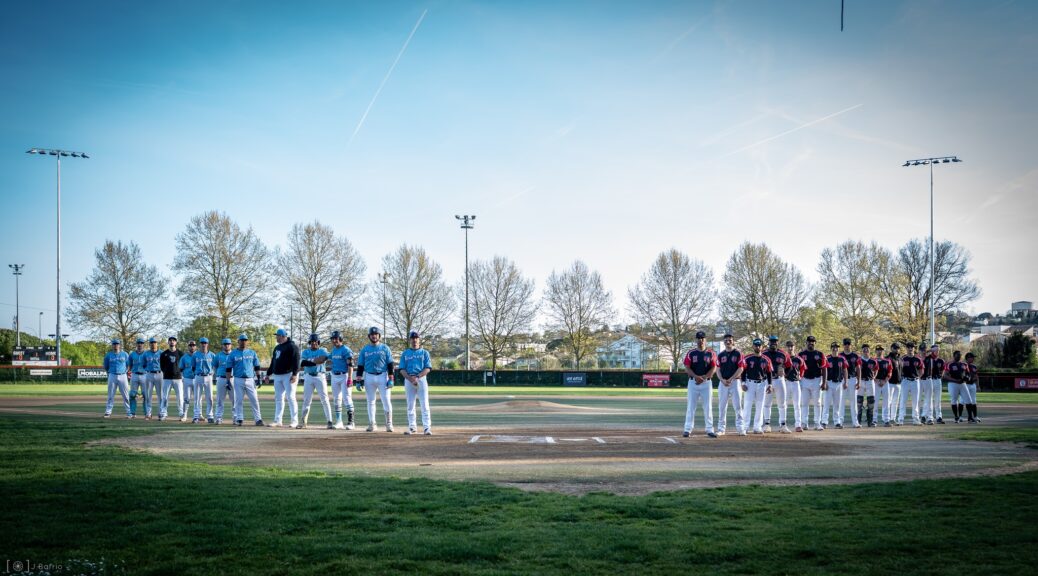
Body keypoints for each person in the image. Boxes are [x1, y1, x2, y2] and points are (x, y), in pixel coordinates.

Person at [356, 327, 395, 432]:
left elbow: (390, 363)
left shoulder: (385, 348)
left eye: (376, 334)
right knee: (370, 401)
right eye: (372, 334)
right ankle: (372, 423)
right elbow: (360, 365)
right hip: (369, 376)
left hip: (382, 375)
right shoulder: (365, 349)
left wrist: (391, 378)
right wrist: (359, 380)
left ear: (379, 336)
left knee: (386, 400)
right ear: (369, 336)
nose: (374, 336)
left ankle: (389, 424)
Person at [681, 331, 718, 438]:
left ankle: (710, 429)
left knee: (708, 407)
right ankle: (687, 429)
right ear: (696, 340)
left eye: (702, 338)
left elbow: (714, 367)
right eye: (698, 338)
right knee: (691, 407)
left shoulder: (711, 353)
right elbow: (687, 367)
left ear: (705, 340)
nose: (700, 340)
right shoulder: (691, 353)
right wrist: (696, 377)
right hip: (693, 382)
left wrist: (704, 377)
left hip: (706, 382)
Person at [399, 330, 433, 435]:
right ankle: (412, 427)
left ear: (419, 339)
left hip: (421, 379)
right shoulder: (405, 353)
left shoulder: (424, 353)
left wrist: (417, 377)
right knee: (410, 404)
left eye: (416, 338)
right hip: (409, 380)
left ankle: (427, 427)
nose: (414, 340)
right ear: (410, 340)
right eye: (413, 338)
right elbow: (402, 369)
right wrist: (410, 378)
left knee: (424, 404)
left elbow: (428, 368)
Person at [298, 333, 334, 429]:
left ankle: (329, 421)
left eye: (315, 341)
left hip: (320, 376)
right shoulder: (305, 352)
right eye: (312, 342)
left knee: (325, 399)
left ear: (318, 342)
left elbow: (323, 359)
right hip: (308, 376)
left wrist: (310, 361)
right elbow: (303, 363)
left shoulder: (323, 350)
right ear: (309, 343)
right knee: (306, 400)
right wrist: (315, 360)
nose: (314, 343)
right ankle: (303, 421)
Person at [266, 328, 300, 428]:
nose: (276, 337)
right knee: (279, 398)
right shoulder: (277, 348)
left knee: (291, 397)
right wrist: (268, 374)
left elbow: (296, 361)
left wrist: (295, 374)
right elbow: (273, 362)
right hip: (277, 375)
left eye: (277, 335)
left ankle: (294, 421)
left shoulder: (292, 346)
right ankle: (278, 420)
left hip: (288, 375)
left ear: (282, 336)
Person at [228, 333, 264, 426]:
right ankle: (239, 418)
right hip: (238, 379)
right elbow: (228, 368)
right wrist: (228, 381)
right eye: (242, 340)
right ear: (238, 341)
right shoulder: (233, 354)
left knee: (254, 399)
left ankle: (258, 419)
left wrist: (259, 378)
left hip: (250, 379)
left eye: (245, 340)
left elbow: (257, 366)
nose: (243, 342)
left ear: (247, 341)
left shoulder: (252, 353)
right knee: (238, 400)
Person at [741, 338, 773, 435]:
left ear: (762, 347)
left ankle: (757, 427)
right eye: (756, 345)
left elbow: (769, 373)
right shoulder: (747, 358)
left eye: (759, 345)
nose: (757, 347)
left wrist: (770, 384)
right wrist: (743, 383)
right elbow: (743, 371)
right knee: (747, 405)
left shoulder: (766, 359)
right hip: (750, 383)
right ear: (753, 346)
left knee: (760, 406)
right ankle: (745, 427)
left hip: (762, 384)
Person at [715, 333, 745, 436]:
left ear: (733, 341)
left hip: (735, 382)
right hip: (723, 383)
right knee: (722, 406)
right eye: (726, 340)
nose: (728, 342)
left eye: (730, 340)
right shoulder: (720, 355)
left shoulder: (738, 354)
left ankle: (741, 428)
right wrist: (722, 380)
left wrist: (731, 379)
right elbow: (717, 369)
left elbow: (741, 368)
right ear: (724, 342)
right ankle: (721, 428)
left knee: (738, 406)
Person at [762, 335, 792, 434]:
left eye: (775, 341)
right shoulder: (764, 353)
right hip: (767, 380)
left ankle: (783, 425)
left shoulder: (783, 353)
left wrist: (785, 373)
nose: (773, 343)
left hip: (779, 380)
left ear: (777, 343)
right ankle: (766, 424)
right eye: (771, 341)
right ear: (769, 343)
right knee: (766, 404)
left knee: (782, 403)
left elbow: (789, 366)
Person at [798, 336, 828, 431]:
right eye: (809, 341)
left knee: (818, 403)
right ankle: (804, 423)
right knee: (804, 403)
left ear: (815, 343)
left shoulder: (820, 354)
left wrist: (824, 382)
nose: (811, 343)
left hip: (816, 380)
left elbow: (824, 368)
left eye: (813, 341)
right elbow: (797, 368)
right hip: (804, 380)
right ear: (806, 342)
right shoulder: (801, 354)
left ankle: (817, 423)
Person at [328, 330, 356, 430]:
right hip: (335, 376)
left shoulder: (346, 350)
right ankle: (339, 421)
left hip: (344, 375)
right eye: (333, 339)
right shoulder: (334, 350)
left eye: (336, 338)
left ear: (340, 339)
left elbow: (350, 364)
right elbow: (329, 359)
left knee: (347, 398)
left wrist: (350, 378)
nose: (334, 340)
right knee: (336, 399)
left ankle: (351, 422)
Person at [159, 336, 186, 422]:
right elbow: (162, 366)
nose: (172, 342)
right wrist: (166, 372)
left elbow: (183, 365)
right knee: (165, 397)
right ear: (168, 342)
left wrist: (179, 373)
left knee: (180, 397)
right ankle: (163, 413)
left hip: (178, 378)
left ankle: (182, 414)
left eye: (173, 341)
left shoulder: (181, 353)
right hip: (167, 378)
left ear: (176, 342)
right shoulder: (164, 354)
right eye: (170, 341)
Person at [102, 339, 131, 418]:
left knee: (126, 395)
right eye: (114, 344)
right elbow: (105, 366)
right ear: (112, 345)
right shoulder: (108, 355)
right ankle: (108, 412)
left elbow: (129, 365)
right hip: (112, 375)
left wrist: (126, 371)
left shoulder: (125, 354)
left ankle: (129, 412)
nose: (115, 345)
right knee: (110, 395)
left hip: (123, 375)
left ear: (119, 345)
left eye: (117, 344)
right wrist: (109, 373)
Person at [823, 343, 849, 429]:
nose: (835, 349)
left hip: (838, 383)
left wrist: (846, 382)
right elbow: (824, 370)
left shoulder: (842, 359)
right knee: (826, 403)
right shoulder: (827, 358)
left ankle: (837, 422)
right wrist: (825, 382)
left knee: (837, 404)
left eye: (837, 347)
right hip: (829, 383)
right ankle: (824, 421)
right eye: (833, 347)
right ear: (831, 348)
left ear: (838, 349)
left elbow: (845, 370)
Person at [898, 342, 924, 426]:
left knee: (916, 401)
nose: (910, 348)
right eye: (909, 347)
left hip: (915, 381)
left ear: (914, 348)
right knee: (903, 400)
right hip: (905, 380)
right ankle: (900, 419)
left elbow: (921, 370)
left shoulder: (918, 359)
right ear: (906, 348)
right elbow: (899, 369)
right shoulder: (903, 358)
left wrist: (918, 377)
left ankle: (916, 419)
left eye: (912, 347)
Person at [784, 340, 806, 432]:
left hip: (795, 383)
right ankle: (783, 424)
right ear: (786, 347)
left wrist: (800, 376)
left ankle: (798, 424)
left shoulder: (799, 359)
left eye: (791, 346)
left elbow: (803, 368)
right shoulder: (784, 358)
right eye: (788, 346)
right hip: (785, 382)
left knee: (797, 405)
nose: (790, 348)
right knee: (784, 404)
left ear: (794, 347)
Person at [193, 338, 216, 424]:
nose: (203, 344)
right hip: (198, 376)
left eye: (205, 343)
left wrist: (212, 373)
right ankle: (196, 416)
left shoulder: (212, 355)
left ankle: (210, 416)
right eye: (202, 343)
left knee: (209, 397)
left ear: (207, 344)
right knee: (197, 397)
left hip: (208, 377)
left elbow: (215, 366)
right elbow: (193, 367)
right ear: (200, 344)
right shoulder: (196, 355)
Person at [840, 338, 863, 428]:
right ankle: (840, 421)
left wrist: (859, 381)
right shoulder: (840, 355)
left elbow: (858, 369)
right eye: (845, 344)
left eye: (848, 344)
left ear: (851, 345)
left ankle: (855, 422)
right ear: (843, 345)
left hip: (853, 379)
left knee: (853, 402)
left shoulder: (855, 356)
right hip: (842, 380)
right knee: (841, 402)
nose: (847, 345)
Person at [922, 345, 946, 425]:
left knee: (937, 399)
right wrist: (930, 350)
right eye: (935, 350)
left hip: (937, 380)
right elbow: (923, 355)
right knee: (928, 399)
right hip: (929, 380)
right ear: (932, 351)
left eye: (938, 350)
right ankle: (926, 416)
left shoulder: (941, 360)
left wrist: (940, 376)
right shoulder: (928, 358)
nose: (937, 352)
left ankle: (939, 417)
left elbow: (943, 370)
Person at [213, 338, 235, 425]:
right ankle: (218, 417)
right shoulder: (218, 356)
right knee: (219, 399)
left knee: (234, 399)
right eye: (225, 344)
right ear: (222, 345)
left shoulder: (234, 354)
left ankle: (235, 417)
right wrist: (218, 375)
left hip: (232, 379)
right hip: (221, 378)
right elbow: (214, 367)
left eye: (228, 344)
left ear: (231, 345)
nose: (227, 345)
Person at [857, 344, 878, 428]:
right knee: (859, 401)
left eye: (867, 349)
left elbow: (876, 369)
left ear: (869, 350)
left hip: (870, 381)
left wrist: (874, 376)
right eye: (864, 349)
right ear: (862, 351)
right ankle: (858, 421)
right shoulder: (859, 360)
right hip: (861, 380)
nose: (866, 351)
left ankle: (870, 421)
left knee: (871, 402)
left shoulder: (873, 361)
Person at [127, 337, 148, 418]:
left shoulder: (146, 354)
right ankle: (132, 413)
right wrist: (129, 374)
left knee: (145, 395)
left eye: (141, 343)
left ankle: (147, 413)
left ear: (143, 344)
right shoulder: (132, 354)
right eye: (138, 343)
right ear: (136, 344)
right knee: (132, 394)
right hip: (135, 375)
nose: (140, 344)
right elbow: (130, 365)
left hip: (144, 375)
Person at [142, 337, 163, 420]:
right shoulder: (146, 354)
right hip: (149, 374)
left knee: (160, 395)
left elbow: (164, 364)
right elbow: (143, 364)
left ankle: (161, 412)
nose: (153, 344)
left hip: (159, 374)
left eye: (154, 342)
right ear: (149, 344)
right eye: (151, 342)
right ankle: (148, 413)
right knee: (148, 395)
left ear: (157, 343)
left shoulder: (161, 353)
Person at [945, 351, 967, 423]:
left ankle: (960, 416)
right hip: (953, 384)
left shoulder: (963, 364)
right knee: (954, 400)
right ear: (954, 355)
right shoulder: (949, 364)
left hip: (962, 383)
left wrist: (967, 378)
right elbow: (946, 376)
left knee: (963, 400)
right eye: (958, 355)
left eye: (960, 355)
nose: (959, 356)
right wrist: (955, 380)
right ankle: (956, 417)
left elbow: (967, 374)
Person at [885, 343, 904, 426]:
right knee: (888, 401)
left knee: (895, 402)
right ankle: (887, 419)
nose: (897, 349)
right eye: (895, 348)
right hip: (890, 383)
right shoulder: (887, 358)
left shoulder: (900, 359)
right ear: (891, 348)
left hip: (898, 383)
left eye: (898, 348)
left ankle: (893, 418)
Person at [179, 341, 197, 421]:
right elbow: (180, 369)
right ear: (188, 347)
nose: (192, 347)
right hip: (187, 379)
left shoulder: (198, 356)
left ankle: (198, 415)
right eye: (190, 345)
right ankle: (184, 415)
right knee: (186, 398)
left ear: (195, 346)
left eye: (193, 345)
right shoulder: (184, 357)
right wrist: (182, 377)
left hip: (197, 379)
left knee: (198, 398)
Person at [963, 352, 981, 423]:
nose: (973, 359)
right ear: (968, 358)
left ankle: (975, 416)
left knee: (973, 401)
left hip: (973, 385)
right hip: (966, 385)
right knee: (966, 401)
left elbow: (976, 376)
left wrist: (978, 385)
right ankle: (968, 417)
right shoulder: (963, 365)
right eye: (972, 357)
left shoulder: (974, 366)